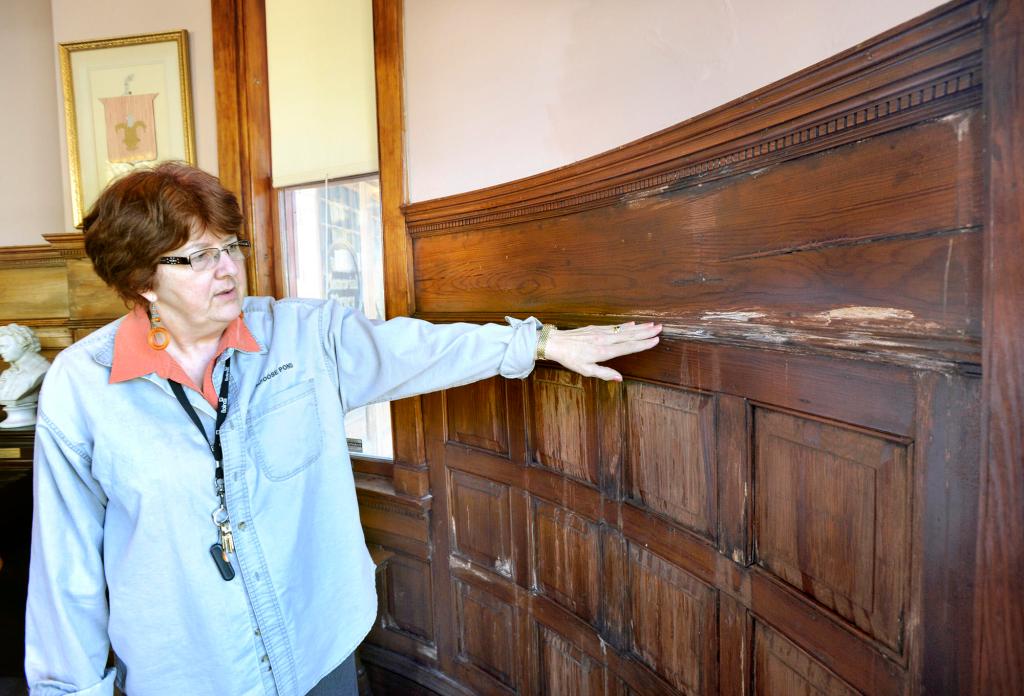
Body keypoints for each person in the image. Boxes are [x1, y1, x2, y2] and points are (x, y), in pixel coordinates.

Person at [24, 162, 661, 696]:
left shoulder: (303, 336)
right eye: (197, 257)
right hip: (186, 671)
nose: (227, 270)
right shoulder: (83, 387)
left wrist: (540, 343)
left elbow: (415, 349)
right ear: (141, 281)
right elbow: (66, 567)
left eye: (230, 248)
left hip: (315, 647)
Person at [0, 324, 50, 402]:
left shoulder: (41, 370)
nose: (1, 351)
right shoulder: (7, 373)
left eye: (5, 346)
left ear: (24, 344)